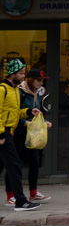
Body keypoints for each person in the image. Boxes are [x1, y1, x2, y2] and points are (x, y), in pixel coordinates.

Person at [0, 57, 38, 211]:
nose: (23, 76)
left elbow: (14, 113)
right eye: (21, 74)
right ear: (12, 73)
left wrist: (29, 111)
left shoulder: (15, 90)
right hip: (4, 134)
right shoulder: (2, 89)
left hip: (9, 132)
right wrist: (1, 134)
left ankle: (20, 201)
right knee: (15, 166)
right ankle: (21, 202)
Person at [15, 69, 50, 202]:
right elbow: (14, 113)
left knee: (35, 161)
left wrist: (45, 122)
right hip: (18, 133)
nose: (41, 83)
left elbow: (38, 114)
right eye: (38, 80)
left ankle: (33, 192)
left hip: (32, 134)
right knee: (16, 163)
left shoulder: (36, 94)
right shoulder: (20, 92)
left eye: (42, 81)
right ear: (31, 80)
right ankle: (10, 194)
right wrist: (25, 123)